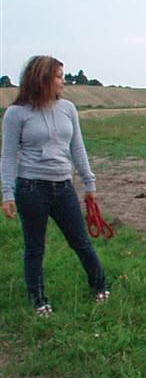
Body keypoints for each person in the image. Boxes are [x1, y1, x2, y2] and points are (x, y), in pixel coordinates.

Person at [1, 55, 110, 316]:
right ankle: (39, 301)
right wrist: (7, 193)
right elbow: (8, 155)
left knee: (81, 241)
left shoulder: (68, 109)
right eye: (59, 77)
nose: (63, 82)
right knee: (35, 247)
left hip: (63, 187)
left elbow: (77, 148)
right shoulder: (17, 114)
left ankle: (101, 287)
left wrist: (89, 181)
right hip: (31, 188)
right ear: (42, 79)